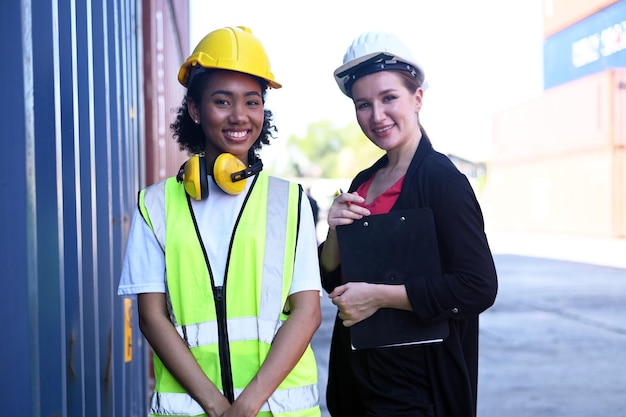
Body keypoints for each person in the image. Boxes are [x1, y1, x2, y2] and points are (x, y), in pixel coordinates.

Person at [118, 26, 322, 417]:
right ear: (195, 110)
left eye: (252, 101)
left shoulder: (289, 201)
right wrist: (216, 406)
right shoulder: (155, 205)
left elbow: (307, 312)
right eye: (222, 101)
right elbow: (151, 317)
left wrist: (246, 406)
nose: (240, 116)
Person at [318, 31, 498, 417]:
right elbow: (337, 284)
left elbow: (477, 287)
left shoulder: (441, 180)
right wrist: (334, 231)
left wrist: (381, 296)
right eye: (363, 104)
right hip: (360, 384)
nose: (377, 116)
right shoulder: (362, 183)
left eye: (389, 98)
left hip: (417, 393)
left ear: (417, 98)